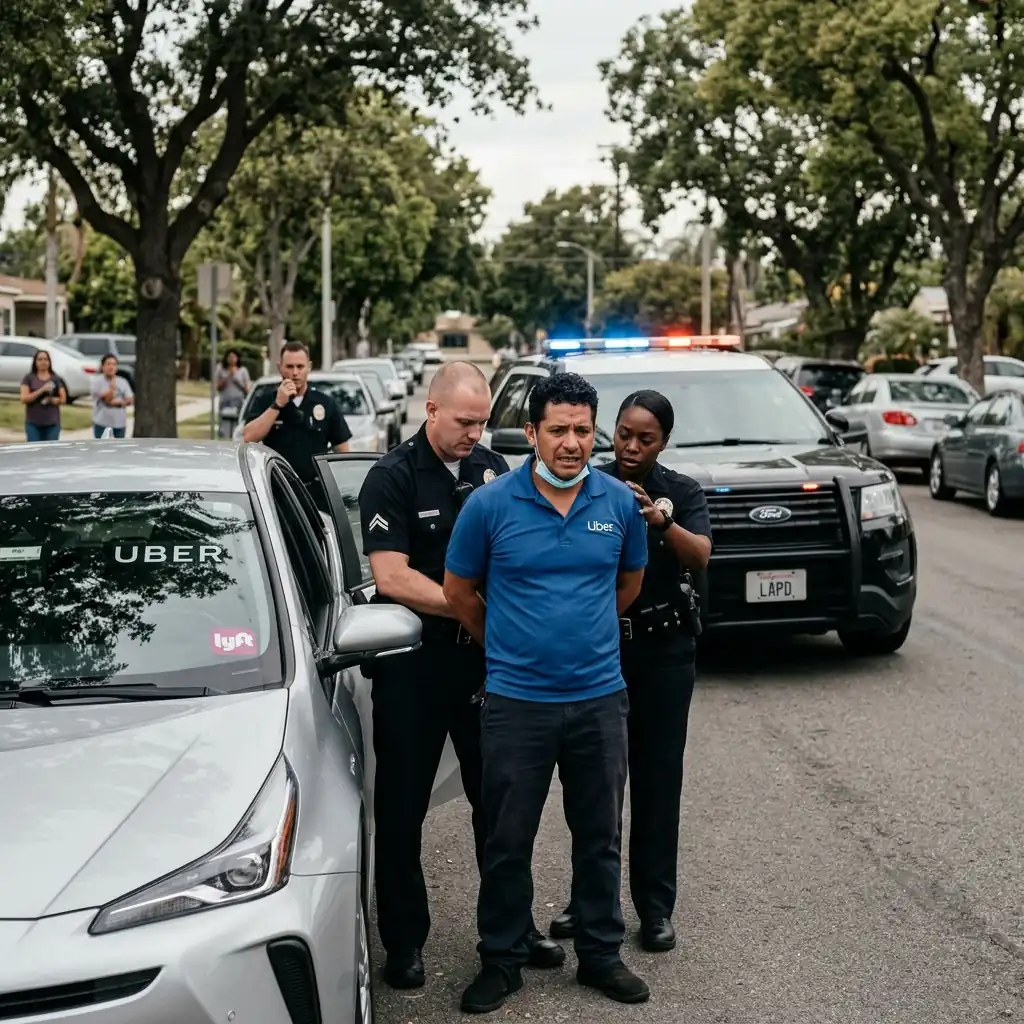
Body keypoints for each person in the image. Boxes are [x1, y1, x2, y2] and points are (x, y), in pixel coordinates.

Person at [444, 372, 651, 1014]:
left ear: (596, 434)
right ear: (531, 433)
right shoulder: (489, 505)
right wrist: (507, 641)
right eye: (557, 430)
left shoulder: (618, 503)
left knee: (598, 834)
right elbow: (458, 593)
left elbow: (629, 585)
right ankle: (501, 959)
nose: (571, 443)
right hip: (515, 702)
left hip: (598, 699)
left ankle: (600, 955)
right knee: (508, 837)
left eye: (583, 431)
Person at [357, 361, 564, 991]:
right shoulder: (391, 476)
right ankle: (404, 941)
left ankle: (512, 927)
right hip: (413, 663)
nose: (476, 433)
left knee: (501, 804)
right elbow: (392, 577)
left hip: (483, 662)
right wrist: (468, 603)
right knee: (401, 811)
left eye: (482, 422)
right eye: (465, 422)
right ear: (431, 409)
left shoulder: (492, 472)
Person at [548, 390, 712, 954]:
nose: (632, 446)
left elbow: (701, 556)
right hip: (601, 650)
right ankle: (589, 900)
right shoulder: (587, 484)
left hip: (663, 653)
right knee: (594, 785)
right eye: (623, 434)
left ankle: (655, 909)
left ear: (664, 441)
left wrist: (661, 522)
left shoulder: (680, 492)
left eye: (646, 438)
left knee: (657, 781)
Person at [241, 341, 351, 508]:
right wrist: (277, 404)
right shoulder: (265, 400)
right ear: (279, 367)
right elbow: (249, 436)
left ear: (309, 367)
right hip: (277, 492)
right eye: (289, 367)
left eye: (300, 366)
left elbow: (342, 453)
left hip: (317, 494)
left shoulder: (325, 403)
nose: (295, 373)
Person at [20, 349, 67, 442]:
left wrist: (54, 400)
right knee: (34, 450)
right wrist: (41, 390)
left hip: (52, 423)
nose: (43, 362)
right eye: (40, 359)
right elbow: (24, 399)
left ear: (49, 362)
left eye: (46, 359)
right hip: (33, 423)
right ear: (35, 362)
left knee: (50, 451)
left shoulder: (56, 378)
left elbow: (63, 399)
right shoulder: (28, 378)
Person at [90, 354, 134, 438]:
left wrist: (118, 402)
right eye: (108, 364)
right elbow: (106, 399)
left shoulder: (123, 381)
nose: (111, 367)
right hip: (101, 422)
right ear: (103, 367)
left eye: (114, 364)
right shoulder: (97, 381)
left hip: (119, 423)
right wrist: (112, 388)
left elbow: (130, 399)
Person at [216, 348, 251, 438]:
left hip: (238, 401)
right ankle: (224, 437)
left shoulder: (243, 370)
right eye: (230, 357)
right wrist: (228, 377)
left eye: (234, 357)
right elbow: (218, 387)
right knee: (224, 423)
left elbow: (247, 389)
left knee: (237, 423)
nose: (232, 359)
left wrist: (236, 380)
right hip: (225, 401)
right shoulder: (221, 369)